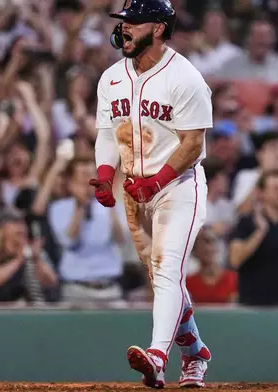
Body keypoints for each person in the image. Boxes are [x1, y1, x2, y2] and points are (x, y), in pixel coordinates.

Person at [90, 0, 212, 388]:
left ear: (158, 28)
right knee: (163, 276)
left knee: (168, 266)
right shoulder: (111, 77)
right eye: (123, 21)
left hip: (178, 186)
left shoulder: (185, 76)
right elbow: (109, 132)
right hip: (135, 191)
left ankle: (158, 355)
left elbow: (193, 143)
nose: (125, 28)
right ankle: (194, 353)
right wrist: (105, 173)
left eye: (134, 21)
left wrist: (158, 180)